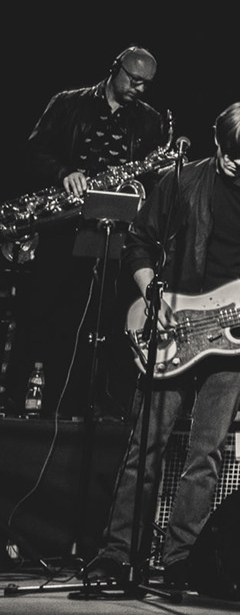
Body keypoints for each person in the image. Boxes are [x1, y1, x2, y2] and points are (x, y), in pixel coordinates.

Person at [85, 103, 240, 589]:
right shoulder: (181, 181)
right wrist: (153, 294)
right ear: (217, 139)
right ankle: (116, 554)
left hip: (229, 341)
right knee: (144, 451)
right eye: (231, 151)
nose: (237, 162)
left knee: (205, 456)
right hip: (174, 330)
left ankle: (179, 559)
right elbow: (139, 244)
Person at [15, 46, 169, 416]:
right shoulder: (68, 103)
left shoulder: (148, 120)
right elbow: (33, 152)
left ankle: (78, 402)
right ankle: (21, 396)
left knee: (94, 320)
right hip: (62, 225)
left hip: (111, 231)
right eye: (133, 80)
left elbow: (150, 177)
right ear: (115, 68)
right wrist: (63, 172)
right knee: (42, 310)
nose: (138, 89)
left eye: (146, 84)